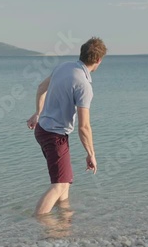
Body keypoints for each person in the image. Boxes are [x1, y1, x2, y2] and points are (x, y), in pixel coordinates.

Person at [26, 37, 107, 215]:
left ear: (82, 53)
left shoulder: (63, 67)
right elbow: (84, 127)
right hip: (54, 135)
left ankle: (64, 223)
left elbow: (41, 87)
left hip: (44, 130)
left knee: (65, 181)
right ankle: (38, 222)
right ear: (98, 60)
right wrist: (91, 154)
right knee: (59, 184)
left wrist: (38, 112)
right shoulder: (84, 85)